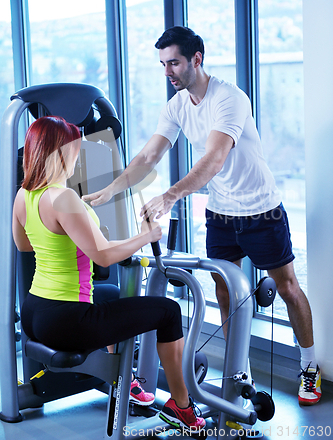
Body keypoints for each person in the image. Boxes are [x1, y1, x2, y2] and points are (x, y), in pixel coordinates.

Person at [82, 26, 321, 406]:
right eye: (162, 64)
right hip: (220, 215)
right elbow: (148, 157)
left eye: (173, 62)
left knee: (288, 287)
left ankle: (310, 367)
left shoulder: (229, 99)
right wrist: (112, 189)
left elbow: (214, 158)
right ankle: (238, 368)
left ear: (197, 58)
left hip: (260, 210)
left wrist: (171, 195)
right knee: (225, 289)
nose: (167, 72)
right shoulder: (177, 105)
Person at [12, 115, 205, 432]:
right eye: (75, 150)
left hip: (36, 311)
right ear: (59, 153)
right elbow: (101, 254)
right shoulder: (64, 197)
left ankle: (126, 380)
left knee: (114, 296)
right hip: (67, 320)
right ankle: (182, 408)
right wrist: (148, 236)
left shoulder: (24, 195)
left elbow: (25, 246)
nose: (78, 156)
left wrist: (75, 225)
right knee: (169, 311)